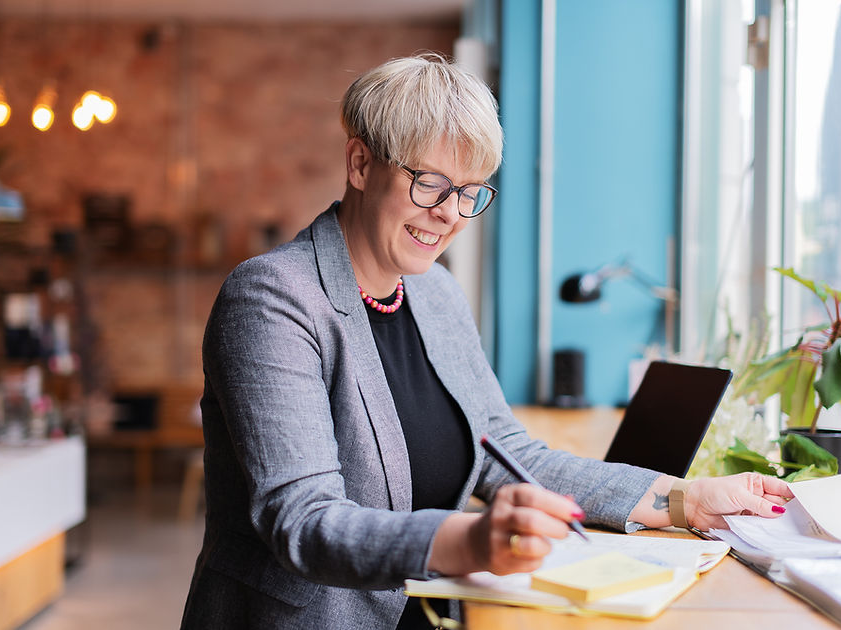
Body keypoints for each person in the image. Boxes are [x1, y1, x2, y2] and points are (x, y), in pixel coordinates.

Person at [180, 53, 793, 630]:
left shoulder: (435, 294)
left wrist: (688, 501)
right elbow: (303, 521)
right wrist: (469, 542)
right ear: (361, 164)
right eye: (430, 183)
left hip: (429, 609)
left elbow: (509, 457)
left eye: (469, 191)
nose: (451, 213)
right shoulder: (272, 299)